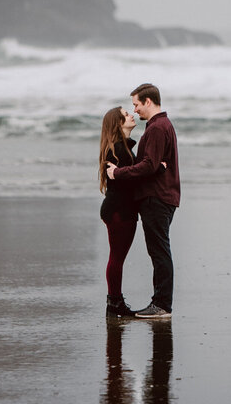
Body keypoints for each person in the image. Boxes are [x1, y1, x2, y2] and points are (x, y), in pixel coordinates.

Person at [106, 82, 180, 319]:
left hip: (157, 198)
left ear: (148, 101)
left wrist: (118, 173)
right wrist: (157, 167)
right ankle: (160, 303)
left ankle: (161, 305)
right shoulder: (159, 126)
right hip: (160, 197)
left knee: (159, 252)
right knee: (159, 251)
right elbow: (152, 165)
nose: (135, 110)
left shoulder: (157, 128)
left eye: (136, 104)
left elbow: (147, 165)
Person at [99, 106, 140, 318]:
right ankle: (114, 303)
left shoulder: (120, 148)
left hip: (117, 210)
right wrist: (157, 168)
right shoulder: (118, 149)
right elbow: (131, 179)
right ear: (118, 123)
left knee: (117, 257)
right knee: (116, 258)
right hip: (119, 211)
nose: (131, 115)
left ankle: (114, 302)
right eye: (126, 114)